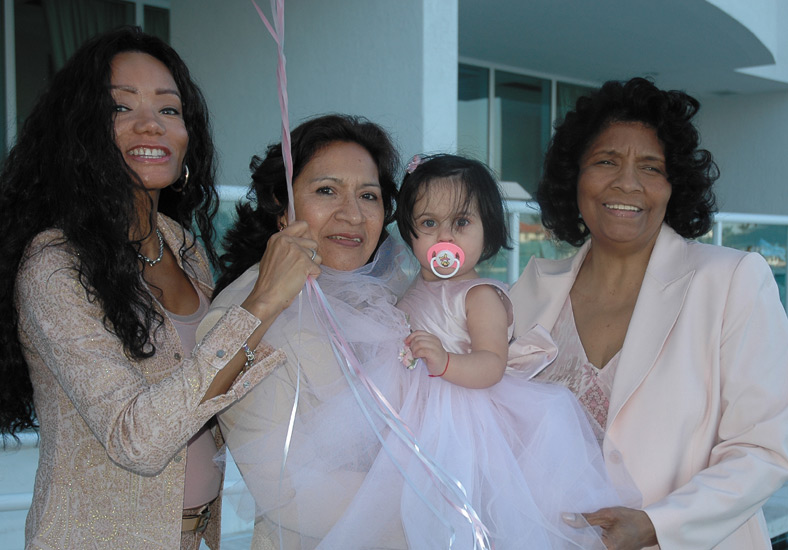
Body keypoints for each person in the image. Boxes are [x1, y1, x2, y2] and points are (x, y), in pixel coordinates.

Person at [0, 27, 315, 550]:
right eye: (121, 107)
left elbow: (216, 385)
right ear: (78, 132)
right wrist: (262, 301)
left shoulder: (181, 243)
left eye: (169, 109)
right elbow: (137, 440)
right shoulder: (54, 265)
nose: (152, 124)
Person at [510, 77, 788, 549]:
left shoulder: (731, 281)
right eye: (606, 161)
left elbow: (764, 449)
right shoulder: (531, 290)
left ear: (673, 186)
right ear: (574, 176)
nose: (627, 182)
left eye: (651, 167)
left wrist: (655, 525)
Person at [196, 114, 409, 548]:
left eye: (368, 195)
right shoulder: (242, 320)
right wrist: (450, 508)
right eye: (326, 190)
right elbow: (290, 491)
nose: (352, 214)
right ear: (282, 205)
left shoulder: (391, 298)